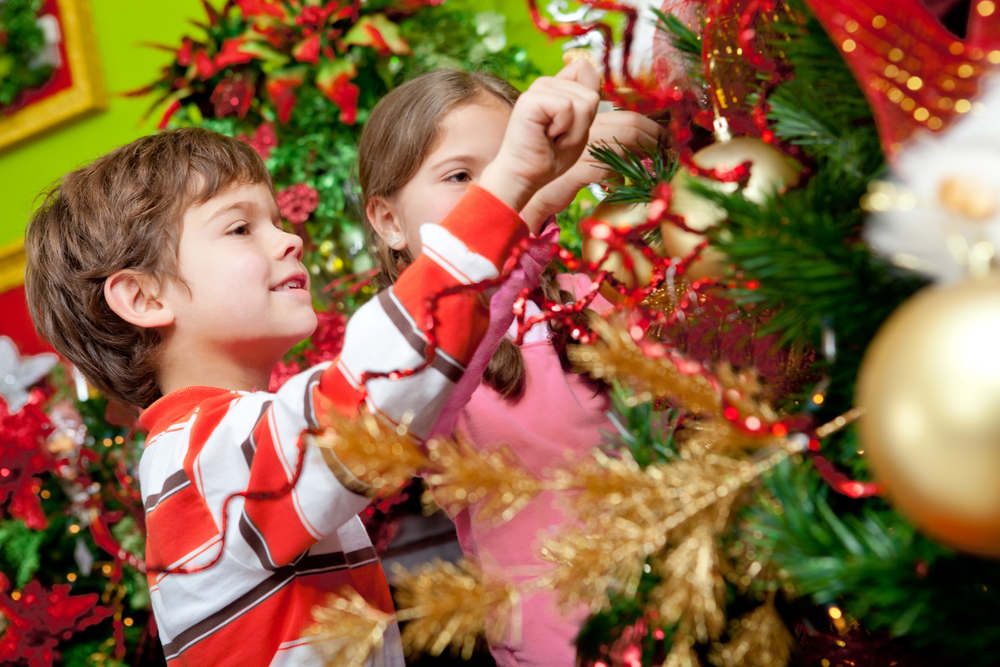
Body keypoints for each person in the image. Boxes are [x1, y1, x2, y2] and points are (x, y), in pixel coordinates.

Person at [22, 59, 601, 667]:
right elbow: (377, 389)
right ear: (144, 298)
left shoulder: (219, 442)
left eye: (277, 217)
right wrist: (508, 183)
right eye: (241, 228)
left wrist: (533, 209)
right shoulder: (207, 458)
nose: (289, 237)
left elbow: (433, 378)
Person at [359, 68, 662, 667]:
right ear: (390, 221)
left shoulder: (587, 292)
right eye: (463, 177)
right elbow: (437, 368)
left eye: (515, 165)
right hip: (560, 647)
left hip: (678, 607)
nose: (503, 192)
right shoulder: (403, 348)